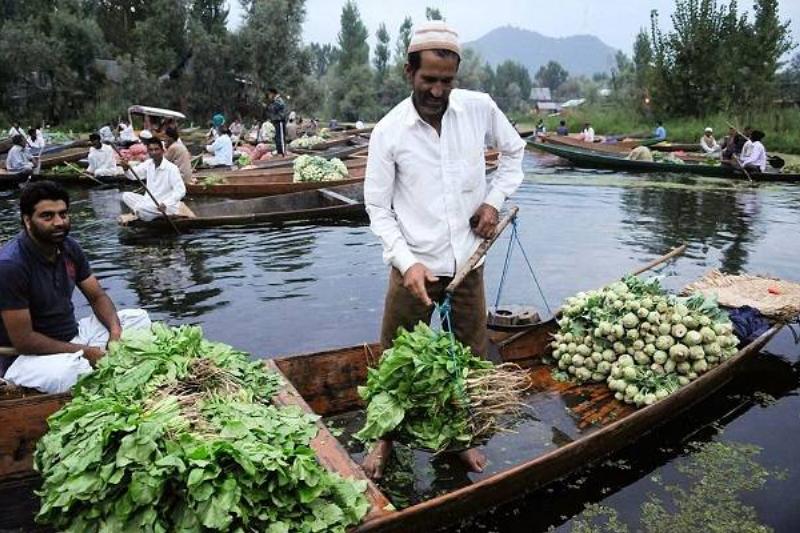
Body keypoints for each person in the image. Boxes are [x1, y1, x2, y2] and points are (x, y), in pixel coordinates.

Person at [363, 20, 525, 480]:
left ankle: (460, 440)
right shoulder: (390, 131)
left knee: (469, 355)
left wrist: (493, 202)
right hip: (414, 269)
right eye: (428, 79)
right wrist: (407, 262)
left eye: (447, 81)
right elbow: (377, 208)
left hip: (468, 263)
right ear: (408, 73)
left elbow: (514, 154)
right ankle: (384, 438)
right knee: (396, 359)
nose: (438, 90)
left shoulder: (478, 109)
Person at [0, 181, 150, 393]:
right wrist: (86, 352)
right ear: (27, 220)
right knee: (71, 372)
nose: (59, 222)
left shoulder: (69, 247)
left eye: (63, 214)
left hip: (72, 337)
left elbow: (97, 297)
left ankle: (93, 360)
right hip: (25, 357)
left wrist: (115, 333)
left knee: (138, 318)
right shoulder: (11, 266)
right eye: (47, 216)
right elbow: (25, 341)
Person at [120, 138, 186, 222]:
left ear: (162, 150)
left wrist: (166, 203)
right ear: (148, 152)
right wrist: (126, 168)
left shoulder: (171, 168)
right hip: (150, 203)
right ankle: (143, 213)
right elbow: (134, 175)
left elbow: (180, 191)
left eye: (156, 149)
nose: (154, 152)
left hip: (165, 207)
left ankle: (141, 213)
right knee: (126, 195)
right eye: (151, 150)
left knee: (140, 208)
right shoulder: (148, 164)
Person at [266, 88, 288, 155]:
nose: (269, 96)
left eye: (269, 94)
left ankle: (283, 153)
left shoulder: (278, 100)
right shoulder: (275, 101)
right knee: (277, 137)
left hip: (280, 120)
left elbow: (275, 108)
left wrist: (269, 106)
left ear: (273, 94)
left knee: (281, 137)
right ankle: (279, 152)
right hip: (276, 121)